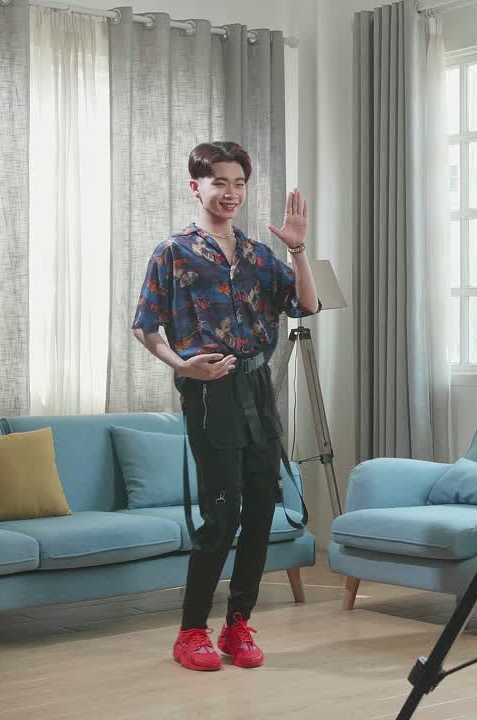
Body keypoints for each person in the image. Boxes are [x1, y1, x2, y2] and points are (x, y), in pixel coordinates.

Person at [131, 141, 320, 671]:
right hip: (210, 392)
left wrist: (298, 250)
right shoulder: (174, 251)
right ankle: (192, 631)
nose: (231, 193)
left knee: (262, 507)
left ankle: (239, 625)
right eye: (220, 183)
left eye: (239, 184)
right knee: (223, 513)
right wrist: (181, 365)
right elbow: (146, 326)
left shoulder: (261, 255)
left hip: (259, 389)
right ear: (197, 186)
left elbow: (306, 306)